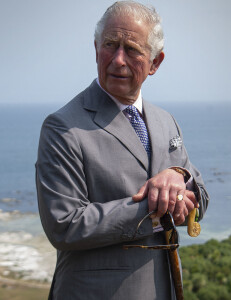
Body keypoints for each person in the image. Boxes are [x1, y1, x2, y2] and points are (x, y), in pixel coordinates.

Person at [36, 1, 209, 299]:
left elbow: (200, 198)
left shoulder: (166, 123)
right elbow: (63, 225)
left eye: (131, 49)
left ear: (155, 62)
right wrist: (156, 207)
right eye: (110, 45)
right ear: (95, 49)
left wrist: (178, 177)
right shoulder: (63, 127)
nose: (117, 59)